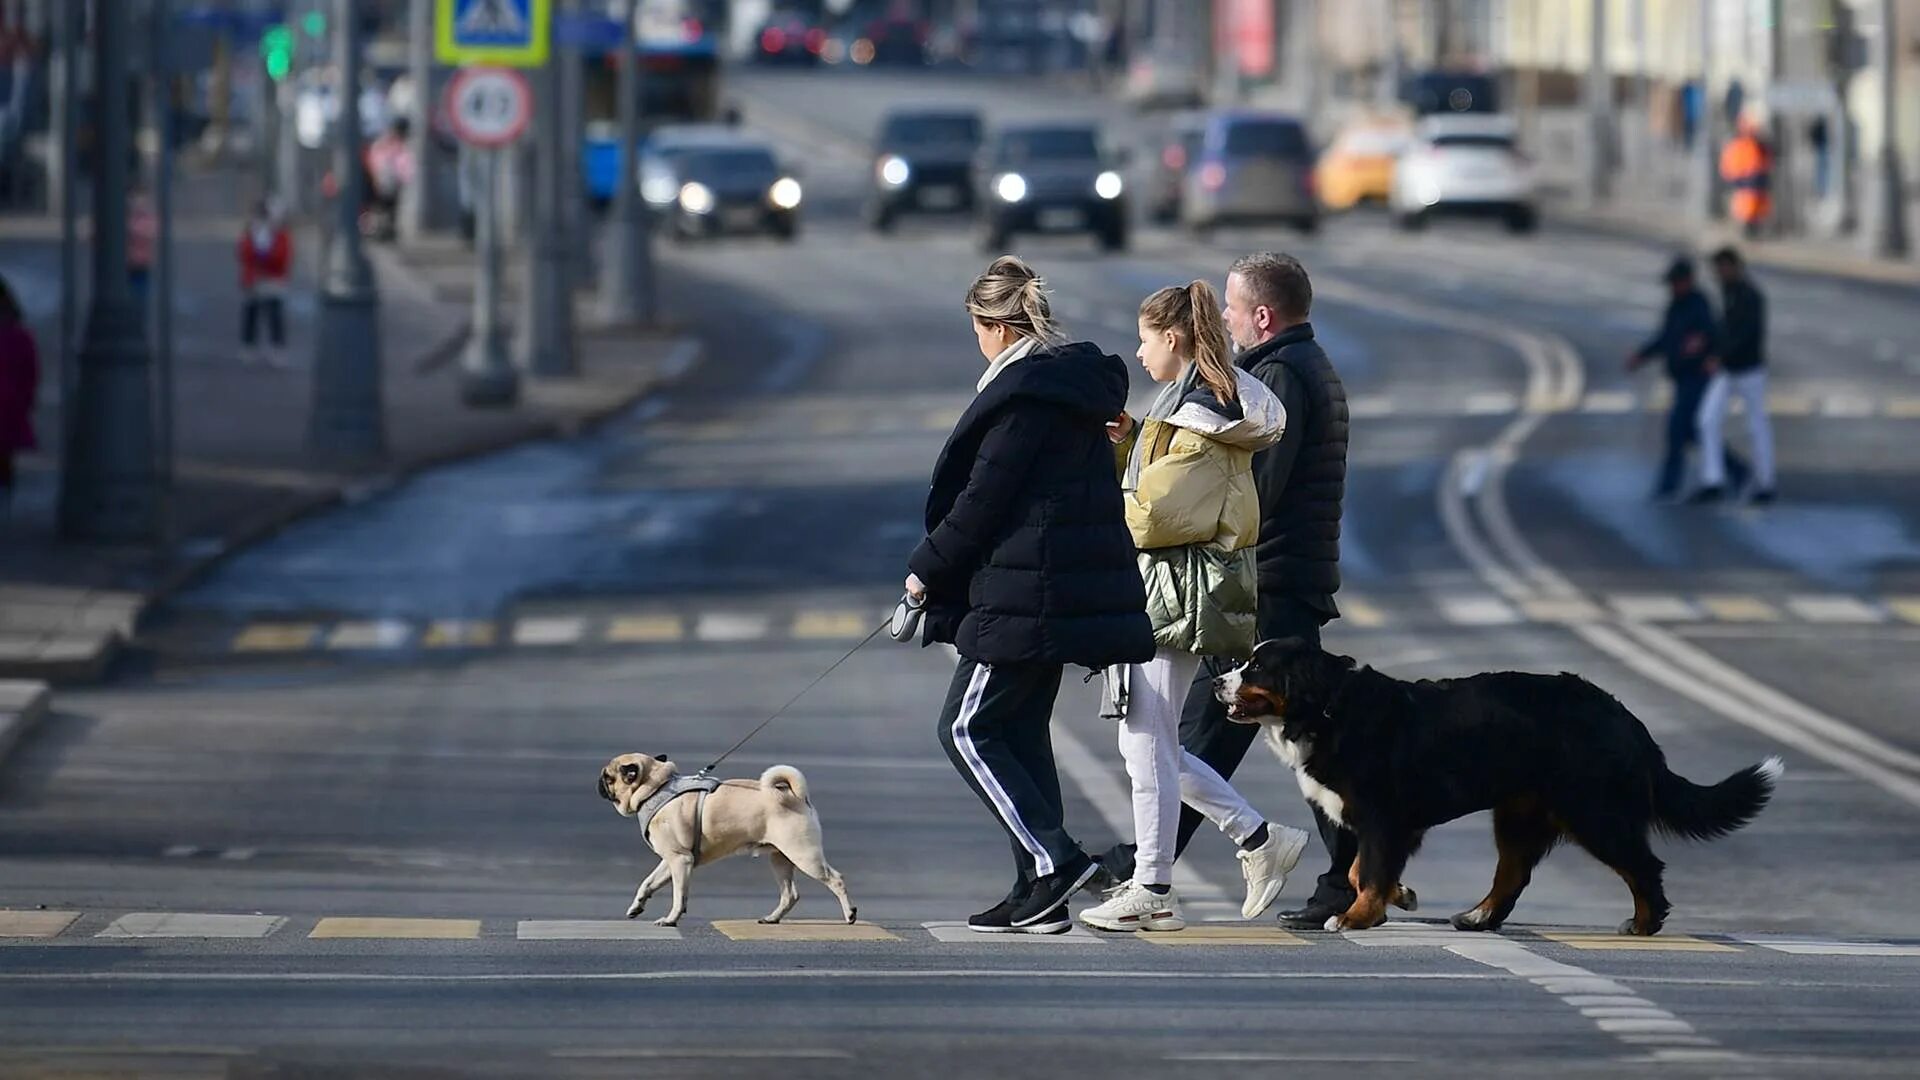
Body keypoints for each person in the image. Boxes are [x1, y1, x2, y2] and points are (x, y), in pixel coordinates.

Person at [1097, 253, 1361, 931]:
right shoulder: (1306, 366)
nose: (1229, 324)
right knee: (1261, 733)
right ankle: (1320, 868)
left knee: (1210, 730)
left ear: (1263, 316)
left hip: (1257, 578)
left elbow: (1246, 490)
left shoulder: (1271, 375)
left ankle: (1167, 871)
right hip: (1280, 575)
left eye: (1237, 312)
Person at [910, 256, 1156, 935]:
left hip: (1026, 590)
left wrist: (925, 569)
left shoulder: (1024, 398)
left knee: (964, 728)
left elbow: (983, 499)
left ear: (994, 326)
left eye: (978, 330)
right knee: (1018, 732)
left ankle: (1055, 860)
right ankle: (1038, 896)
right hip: (1049, 586)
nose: (978, 343)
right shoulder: (1064, 387)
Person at [1628, 257, 1748, 502]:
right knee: (1694, 434)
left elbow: (1712, 335)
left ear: (1687, 281)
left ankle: (1669, 486)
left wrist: (1704, 349)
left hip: (1697, 378)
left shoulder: (1697, 305)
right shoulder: (1677, 305)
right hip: (1683, 378)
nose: (1672, 287)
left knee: (1677, 430)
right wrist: (1642, 355)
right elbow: (1666, 338)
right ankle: (1738, 472)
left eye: (1676, 282)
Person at [1697, 248, 1775, 505]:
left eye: (1721, 268)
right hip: (1727, 371)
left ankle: (1765, 484)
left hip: (1749, 370)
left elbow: (1746, 334)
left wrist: (1721, 356)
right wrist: (1713, 353)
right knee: (1708, 420)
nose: (1718, 274)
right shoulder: (1727, 293)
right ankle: (1713, 480)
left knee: (1756, 427)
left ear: (1734, 267)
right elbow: (1723, 331)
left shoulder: (1751, 296)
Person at [236, 200, 293, 367]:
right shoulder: (251, 233)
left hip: (272, 281)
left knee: (275, 315)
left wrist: (266, 256)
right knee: (251, 314)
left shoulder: (281, 235)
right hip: (254, 280)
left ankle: (277, 348)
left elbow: (282, 258)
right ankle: (248, 346)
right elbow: (243, 253)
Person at [0, 274, 38, 516]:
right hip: (9, 411)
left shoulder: (18, 337)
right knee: (4, 465)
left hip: (8, 409)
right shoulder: (19, 336)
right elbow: (30, 377)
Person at [1720, 113, 1773, 239]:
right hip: (1743, 180)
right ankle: (1748, 227)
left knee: (1754, 205)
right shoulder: (1737, 144)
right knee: (1746, 205)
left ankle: (1753, 227)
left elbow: (1764, 161)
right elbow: (1729, 163)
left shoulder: (1757, 145)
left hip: (1754, 179)